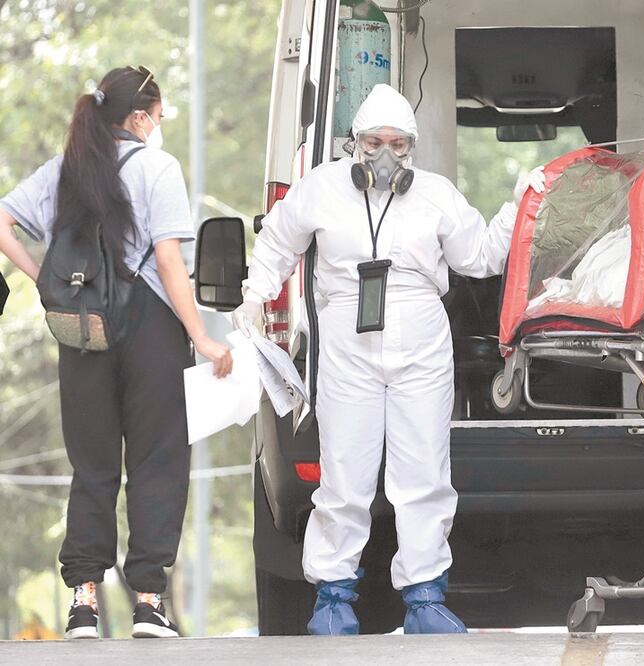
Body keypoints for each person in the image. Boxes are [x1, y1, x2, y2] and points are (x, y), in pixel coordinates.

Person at [231, 83, 543, 635]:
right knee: (344, 473)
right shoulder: (320, 189)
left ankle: (425, 597)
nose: (385, 154)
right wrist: (255, 294)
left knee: (423, 472)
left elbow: (480, 256)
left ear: (411, 147)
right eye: (374, 141)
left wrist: (519, 203)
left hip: (421, 337)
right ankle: (332, 598)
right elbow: (278, 240)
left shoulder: (436, 194)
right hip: (348, 340)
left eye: (398, 143)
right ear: (354, 143)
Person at [0, 66, 233, 640]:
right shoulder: (158, 167)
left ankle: (83, 604)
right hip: (150, 328)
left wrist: (44, 283)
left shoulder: (65, 169)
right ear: (138, 117)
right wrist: (201, 335)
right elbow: (170, 262)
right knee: (156, 462)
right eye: (157, 115)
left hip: (81, 329)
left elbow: (2, 221)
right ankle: (149, 603)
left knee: (92, 467)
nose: (158, 126)